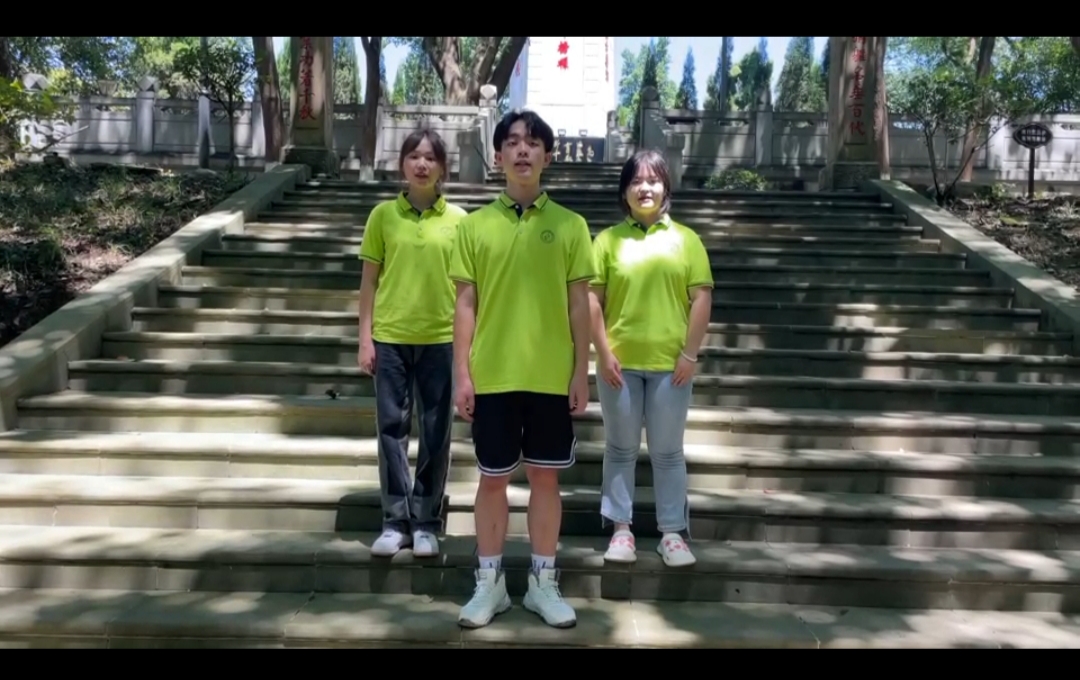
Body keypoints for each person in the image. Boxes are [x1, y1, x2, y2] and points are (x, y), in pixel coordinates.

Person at [449, 110, 594, 629]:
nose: (523, 150)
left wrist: (580, 372)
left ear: (548, 156)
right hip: (493, 375)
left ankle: (542, 582)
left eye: (533, 143)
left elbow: (580, 305)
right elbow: (465, 304)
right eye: (512, 142)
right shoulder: (474, 226)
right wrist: (462, 374)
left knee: (545, 480)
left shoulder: (572, 226)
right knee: (492, 481)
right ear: (498, 156)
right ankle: (489, 584)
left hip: (550, 376)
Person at [588, 149, 714, 568]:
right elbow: (592, 300)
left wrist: (689, 354)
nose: (645, 188)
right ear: (624, 191)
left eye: (653, 180)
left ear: (666, 188)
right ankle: (621, 529)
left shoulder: (687, 240)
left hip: (671, 367)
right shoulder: (607, 241)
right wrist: (603, 351)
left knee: (668, 452)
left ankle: (672, 533)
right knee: (620, 449)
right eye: (636, 181)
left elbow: (701, 299)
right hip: (618, 366)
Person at [357, 128, 466, 559]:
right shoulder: (382, 216)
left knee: (436, 432)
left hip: (442, 339)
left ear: (442, 167)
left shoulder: (460, 220)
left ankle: (425, 521)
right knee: (391, 429)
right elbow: (369, 282)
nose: (422, 164)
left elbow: (469, 291)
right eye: (414, 156)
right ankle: (394, 521)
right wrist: (365, 338)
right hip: (390, 339)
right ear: (402, 163)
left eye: (430, 157)